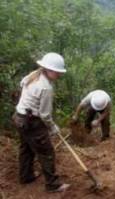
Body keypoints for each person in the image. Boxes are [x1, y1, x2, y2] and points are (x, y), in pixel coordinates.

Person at [12, 52, 70, 192]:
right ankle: (53, 185)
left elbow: (22, 84)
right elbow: (45, 115)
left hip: (19, 118)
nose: (59, 75)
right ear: (49, 69)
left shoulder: (34, 75)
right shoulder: (46, 88)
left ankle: (25, 176)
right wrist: (53, 127)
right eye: (57, 72)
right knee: (46, 152)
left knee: (26, 149)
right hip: (32, 123)